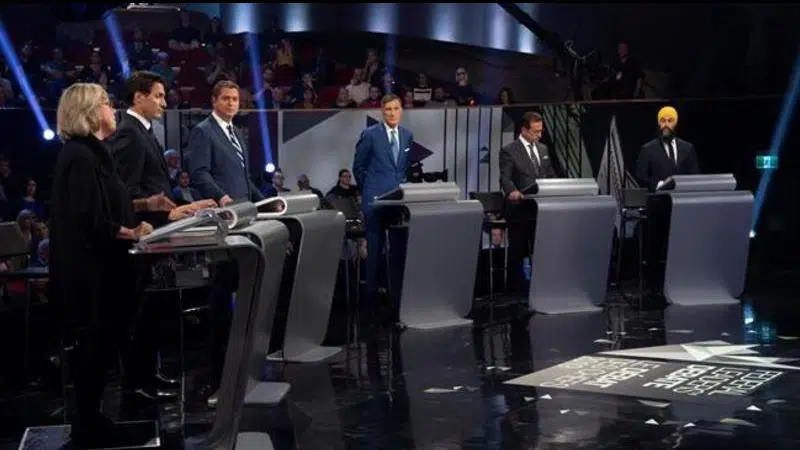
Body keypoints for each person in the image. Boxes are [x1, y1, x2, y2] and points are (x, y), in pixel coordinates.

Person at [49, 83, 172, 447]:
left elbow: (108, 204)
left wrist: (145, 207)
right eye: (105, 103)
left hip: (105, 270)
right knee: (93, 347)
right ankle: (88, 424)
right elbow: (89, 217)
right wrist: (130, 232)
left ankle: (94, 419)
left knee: (102, 348)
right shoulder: (79, 155)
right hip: (91, 274)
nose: (112, 108)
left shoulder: (95, 153)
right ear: (89, 111)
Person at [109, 71, 215, 404]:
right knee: (139, 314)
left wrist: (180, 209)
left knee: (152, 312)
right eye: (158, 95)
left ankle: (147, 374)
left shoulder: (143, 132)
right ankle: (135, 382)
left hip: (155, 235)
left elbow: (154, 192)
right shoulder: (129, 134)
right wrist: (158, 212)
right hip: (139, 240)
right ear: (138, 97)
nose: (164, 102)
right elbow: (124, 195)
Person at [184, 80, 263, 407]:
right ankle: (215, 374)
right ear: (214, 100)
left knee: (242, 289)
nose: (232, 103)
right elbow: (200, 174)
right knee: (221, 295)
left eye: (236, 99)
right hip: (223, 221)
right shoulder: (204, 132)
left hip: (245, 220)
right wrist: (222, 198)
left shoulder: (237, 132)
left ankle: (241, 365)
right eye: (226, 99)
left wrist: (266, 201)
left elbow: (244, 180)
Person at [352, 93, 413, 327]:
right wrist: (370, 189)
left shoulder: (407, 136)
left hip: (398, 202)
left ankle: (396, 304)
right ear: (382, 111)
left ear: (401, 110)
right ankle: (370, 308)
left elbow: (403, 170)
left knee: (398, 252)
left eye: (396, 109)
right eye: (388, 109)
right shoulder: (370, 135)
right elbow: (358, 167)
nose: (392, 113)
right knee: (375, 253)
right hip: (375, 201)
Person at [499, 111, 557, 295]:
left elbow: (550, 175)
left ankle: (543, 285)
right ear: (524, 130)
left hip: (541, 208)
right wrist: (512, 191)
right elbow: (505, 178)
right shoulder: (509, 150)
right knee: (518, 250)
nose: (539, 135)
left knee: (542, 248)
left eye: (541, 131)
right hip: (520, 209)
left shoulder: (543, 149)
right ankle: (516, 290)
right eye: (535, 131)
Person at [634, 106, 700, 191]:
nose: (666, 125)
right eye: (663, 121)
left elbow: (695, 176)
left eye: (670, 121)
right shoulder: (647, 149)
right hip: (658, 197)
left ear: (675, 123)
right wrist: (658, 185)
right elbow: (640, 178)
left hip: (683, 196)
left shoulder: (688, 148)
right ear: (659, 123)